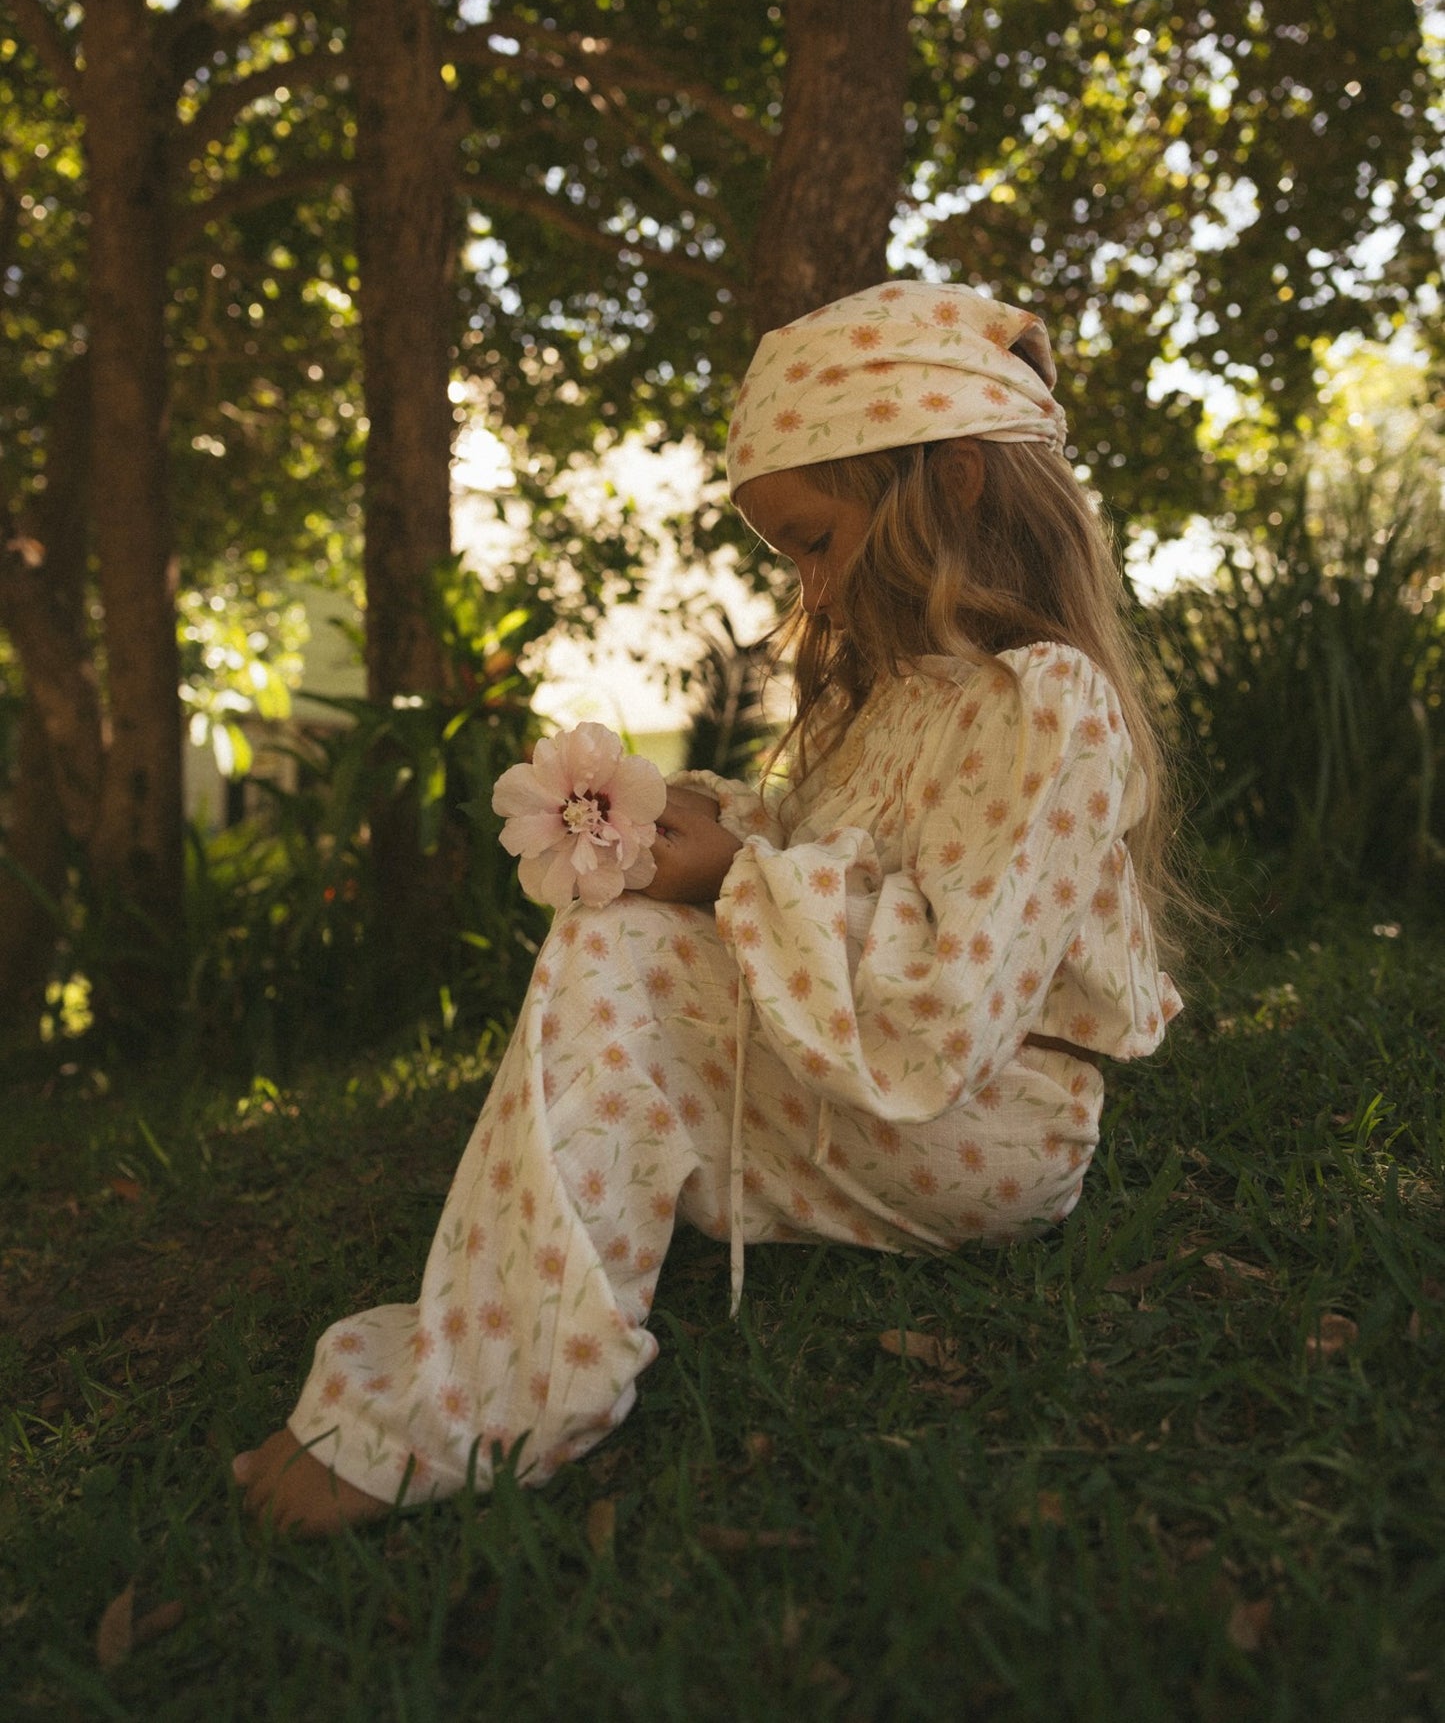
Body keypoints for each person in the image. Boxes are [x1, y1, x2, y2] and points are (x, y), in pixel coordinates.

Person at [233, 279, 1183, 1534]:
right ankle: (511, 1323)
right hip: (883, 1092)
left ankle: (493, 1401)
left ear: (951, 481)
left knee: (621, 961)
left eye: (813, 541)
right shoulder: (898, 698)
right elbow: (822, 860)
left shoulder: (1045, 706)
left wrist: (736, 882)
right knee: (615, 935)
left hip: (990, 1129)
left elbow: (949, 1005)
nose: (814, 593)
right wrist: (708, 834)